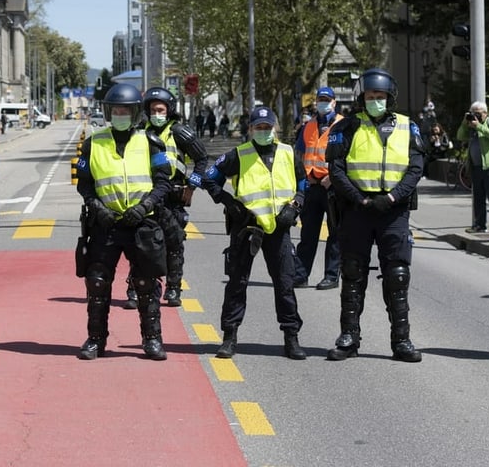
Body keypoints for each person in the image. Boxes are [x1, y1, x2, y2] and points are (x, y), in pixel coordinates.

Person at [325, 68, 424, 363]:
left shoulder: (409, 127)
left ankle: (401, 340)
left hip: (393, 211)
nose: (375, 101)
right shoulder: (346, 127)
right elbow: (336, 168)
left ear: (389, 98)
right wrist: (360, 199)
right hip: (358, 210)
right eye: (370, 96)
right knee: (353, 273)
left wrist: (393, 197)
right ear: (361, 98)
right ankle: (349, 337)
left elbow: (416, 168)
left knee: (397, 275)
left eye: (380, 97)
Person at [75, 82, 173, 360]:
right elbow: (84, 185)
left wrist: (145, 207)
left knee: (145, 284)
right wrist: (97, 207)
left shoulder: (152, 143)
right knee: (97, 282)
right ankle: (95, 340)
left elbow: (164, 183)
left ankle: (152, 340)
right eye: (115, 110)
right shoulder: (93, 143)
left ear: (135, 114)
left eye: (125, 110)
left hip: (141, 224)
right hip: (106, 225)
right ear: (108, 112)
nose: (120, 114)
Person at [205, 105, 307, 360]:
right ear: (250, 129)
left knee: (284, 284)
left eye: (267, 127)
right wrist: (228, 202)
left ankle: (291, 337)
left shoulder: (287, 153)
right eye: (258, 127)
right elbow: (208, 177)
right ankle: (229, 337)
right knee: (237, 283)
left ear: (275, 128)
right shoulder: (238, 155)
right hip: (246, 227)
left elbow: (303, 184)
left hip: (279, 227)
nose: (263, 131)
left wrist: (295, 207)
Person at [140, 86, 209, 306]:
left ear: (169, 110)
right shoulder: (140, 132)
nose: (156, 114)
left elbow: (202, 159)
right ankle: (137, 288)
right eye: (152, 110)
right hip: (147, 196)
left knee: (174, 244)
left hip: (174, 195)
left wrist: (191, 187)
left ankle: (173, 289)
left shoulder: (179, 132)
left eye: (160, 109)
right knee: (142, 245)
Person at [293, 87, 342, 290]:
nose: (323, 103)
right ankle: (301, 275)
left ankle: (331, 276)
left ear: (334, 102)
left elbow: (348, 157)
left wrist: (334, 176)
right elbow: (299, 155)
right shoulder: (308, 126)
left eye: (326, 99)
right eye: (320, 99)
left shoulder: (343, 125)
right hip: (311, 186)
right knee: (308, 233)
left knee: (335, 233)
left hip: (333, 187)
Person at [457, 101, 489, 233]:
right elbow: (460, 136)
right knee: (478, 197)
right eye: (474, 113)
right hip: (476, 166)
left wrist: (478, 126)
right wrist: (464, 123)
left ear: (485, 113)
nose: (476, 116)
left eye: (478, 113)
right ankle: (480, 225)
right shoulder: (471, 127)